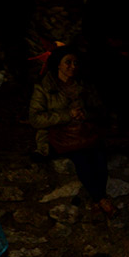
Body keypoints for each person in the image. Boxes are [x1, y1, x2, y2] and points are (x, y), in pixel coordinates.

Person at [28, 46, 115, 216]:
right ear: (58, 65)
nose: (72, 66)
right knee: (81, 157)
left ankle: (98, 200)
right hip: (57, 138)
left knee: (99, 157)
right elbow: (36, 119)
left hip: (82, 134)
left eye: (75, 62)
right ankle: (101, 199)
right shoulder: (44, 88)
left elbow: (100, 110)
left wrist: (84, 114)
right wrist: (66, 115)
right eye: (68, 62)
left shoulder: (83, 86)